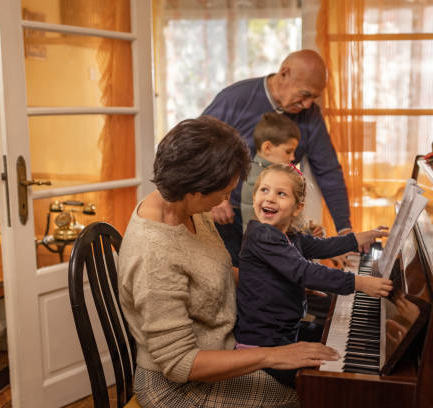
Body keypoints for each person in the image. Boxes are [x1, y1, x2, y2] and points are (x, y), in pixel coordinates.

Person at [118, 117, 340, 408]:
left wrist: (277, 282)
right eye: (223, 193)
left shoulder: (183, 204)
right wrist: (273, 355)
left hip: (226, 345)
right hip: (180, 388)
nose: (226, 199)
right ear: (195, 189)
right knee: (313, 394)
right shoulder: (154, 254)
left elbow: (213, 271)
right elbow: (180, 364)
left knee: (317, 372)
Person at [234, 163, 393, 389]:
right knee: (325, 384)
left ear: (297, 208)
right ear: (254, 195)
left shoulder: (288, 235)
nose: (270, 198)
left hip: (285, 332)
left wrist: (359, 238)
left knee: (343, 344)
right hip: (262, 345)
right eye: (264, 190)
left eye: (281, 194)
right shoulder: (261, 235)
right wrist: (358, 282)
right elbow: (304, 271)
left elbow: (322, 246)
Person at [203, 49, 351, 267]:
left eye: (314, 98)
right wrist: (213, 194)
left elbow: (328, 171)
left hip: (273, 218)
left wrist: (344, 228)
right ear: (284, 73)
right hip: (227, 215)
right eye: (305, 94)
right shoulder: (237, 98)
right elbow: (197, 145)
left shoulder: (310, 116)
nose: (309, 104)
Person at [240, 112, 300, 232]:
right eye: (288, 151)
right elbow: (275, 223)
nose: (293, 157)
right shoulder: (259, 179)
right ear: (267, 148)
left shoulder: (261, 171)